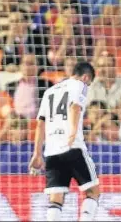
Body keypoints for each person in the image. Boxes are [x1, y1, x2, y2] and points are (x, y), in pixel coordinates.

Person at [28, 61, 100, 221]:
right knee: (93, 191)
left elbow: (40, 123)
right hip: (72, 146)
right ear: (86, 77)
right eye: (89, 82)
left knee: (56, 198)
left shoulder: (49, 91)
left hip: (51, 151)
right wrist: (73, 132)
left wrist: (37, 154)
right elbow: (75, 107)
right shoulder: (80, 85)